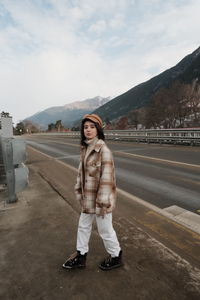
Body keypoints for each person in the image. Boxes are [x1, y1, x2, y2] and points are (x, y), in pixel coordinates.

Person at [62, 114, 122, 271]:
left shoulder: (103, 150)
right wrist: (78, 190)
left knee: (105, 230)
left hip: (101, 201)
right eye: (85, 127)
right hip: (87, 198)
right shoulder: (86, 147)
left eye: (92, 127)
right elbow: (80, 174)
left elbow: (107, 180)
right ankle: (81, 256)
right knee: (83, 226)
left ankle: (116, 256)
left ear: (98, 129)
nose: (88, 130)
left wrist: (101, 203)